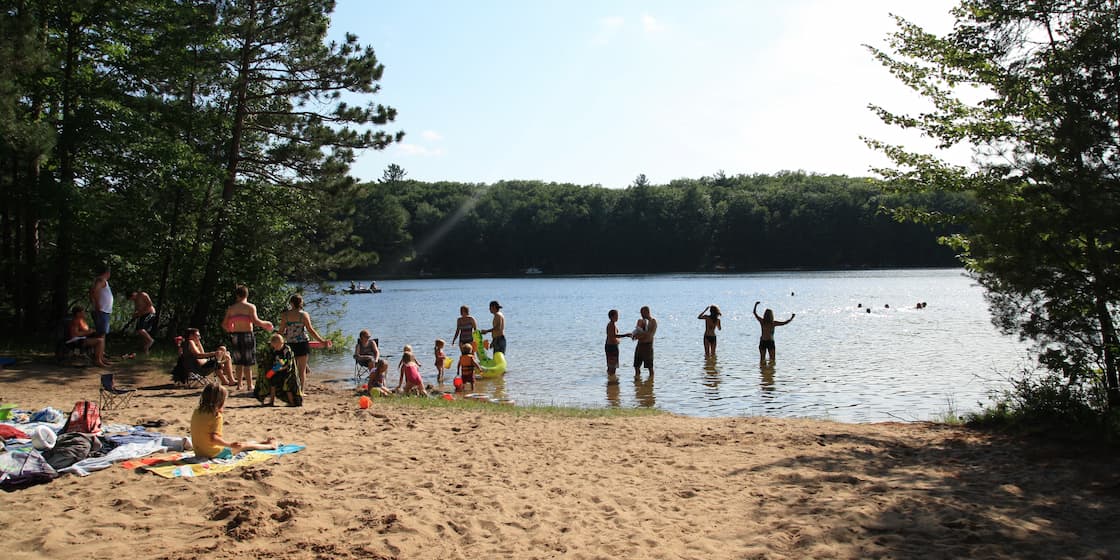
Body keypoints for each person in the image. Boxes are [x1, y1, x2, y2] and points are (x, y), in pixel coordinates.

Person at [190, 384, 279, 459]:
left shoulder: (197, 411)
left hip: (199, 451)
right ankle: (271, 446)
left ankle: (262, 443)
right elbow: (213, 439)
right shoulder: (216, 416)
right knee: (242, 446)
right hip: (212, 453)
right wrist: (229, 444)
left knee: (241, 444)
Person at [223, 285, 274, 392]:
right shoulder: (250, 307)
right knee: (248, 361)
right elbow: (256, 321)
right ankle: (250, 385)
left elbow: (224, 324)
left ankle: (239, 384)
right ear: (247, 295)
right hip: (247, 335)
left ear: (237, 295)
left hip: (236, 335)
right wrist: (266, 324)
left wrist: (230, 331)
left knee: (238, 362)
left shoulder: (231, 309)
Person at [279, 294, 328, 392]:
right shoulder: (304, 315)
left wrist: (276, 342)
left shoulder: (285, 315)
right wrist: (322, 341)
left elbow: (280, 331)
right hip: (302, 343)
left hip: (290, 344)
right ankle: (301, 391)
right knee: (302, 371)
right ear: (301, 303)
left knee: (291, 369)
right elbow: (311, 330)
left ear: (291, 303)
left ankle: (291, 389)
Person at [256, 333, 300, 406]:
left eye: (276, 346)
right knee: (272, 383)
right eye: (274, 347)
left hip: (286, 371)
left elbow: (288, 362)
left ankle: (292, 402)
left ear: (281, 343)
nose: (275, 348)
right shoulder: (273, 349)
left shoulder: (286, 350)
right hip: (276, 369)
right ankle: (271, 401)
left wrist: (281, 367)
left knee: (287, 387)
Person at [88, 264, 113, 336]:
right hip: (101, 311)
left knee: (102, 333)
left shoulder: (102, 281)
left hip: (104, 311)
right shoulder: (101, 281)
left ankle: (99, 346)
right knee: (101, 333)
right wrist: (97, 305)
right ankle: (96, 346)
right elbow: (94, 292)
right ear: (107, 273)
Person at [604, 309, 630, 378]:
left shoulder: (611, 324)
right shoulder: (611, 325)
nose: (617, 317)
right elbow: (614, 336)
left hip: (610, 346)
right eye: (616, 316)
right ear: (612, 317)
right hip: (611, 347)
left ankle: (610, 380)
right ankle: (612, 381)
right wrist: (626, 335)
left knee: (610, 365)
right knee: (613, 366)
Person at [633, 306, 657, 376]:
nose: (641, 315)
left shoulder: (653, 321)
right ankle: (637, 383)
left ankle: (650, 384)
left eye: (642, 313)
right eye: (640, 313)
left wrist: (638, 336)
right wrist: (636, 335)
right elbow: (637, 333)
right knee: (636, 366)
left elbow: (649, 335)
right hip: (640, 345)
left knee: (650, 367)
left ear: (647, 312)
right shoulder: (642, 321)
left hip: (648, 346)